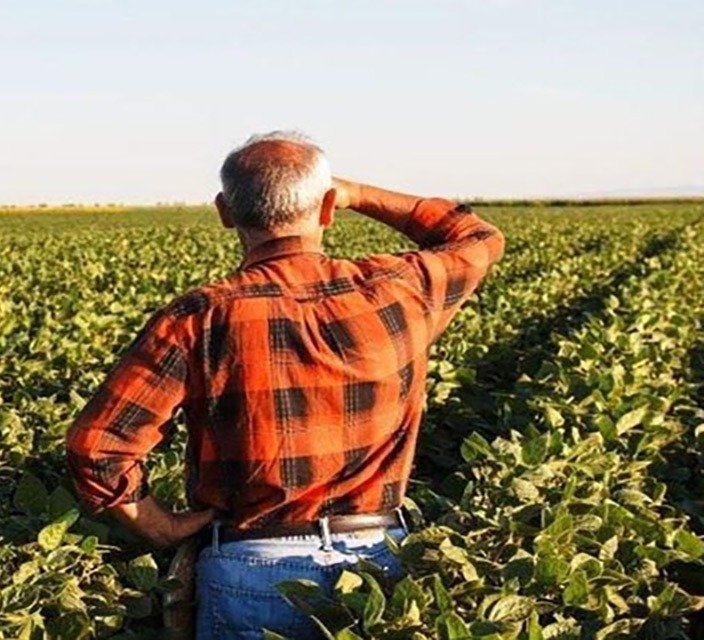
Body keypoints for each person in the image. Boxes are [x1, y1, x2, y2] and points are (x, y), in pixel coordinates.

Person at [65, 131, 505, 638]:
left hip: (249, 568)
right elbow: (477, 238)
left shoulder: (199, 317)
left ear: (225, 212)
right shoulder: (399, 289)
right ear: (327, 210)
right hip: (376, 567)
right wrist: (356, 192)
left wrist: (160, 526)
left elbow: (97, 448)